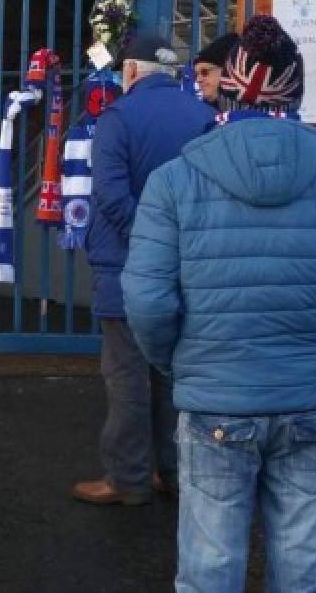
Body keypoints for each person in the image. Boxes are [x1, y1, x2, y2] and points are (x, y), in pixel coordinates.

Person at [124, 15, 316, 592]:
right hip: (311, 397)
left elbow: (146, 299)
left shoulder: (174, 180)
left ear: (230, 87)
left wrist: (179, 361)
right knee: (307, 563)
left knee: (210, 566)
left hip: (216, 397)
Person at [72, 34, 216, 505]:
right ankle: (172, 472)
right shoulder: (203, 117)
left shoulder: (118, 117)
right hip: (185, 262)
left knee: (126, 374)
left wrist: (151, 239)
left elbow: (111, 195)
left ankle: (127, 478)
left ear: (130, 72)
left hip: (126, 264)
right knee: (172, 373)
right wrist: (173, 241)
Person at [191, 32, 239, 106]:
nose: (198, 80)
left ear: (226, 72)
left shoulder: (250, 112)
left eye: (204, 72)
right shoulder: (199, 110)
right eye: (196, 74)